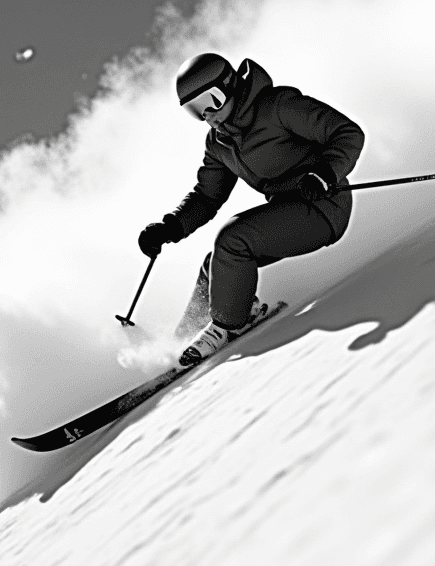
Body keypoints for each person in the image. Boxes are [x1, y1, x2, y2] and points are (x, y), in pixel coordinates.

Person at [138, 52, 365, 365]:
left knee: (233, 240)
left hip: (323, 205)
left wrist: (325, 173)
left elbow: (347, 133)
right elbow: (207, 196)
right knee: (217, 265)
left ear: (229, 85)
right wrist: (171, 226)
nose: (209, 115)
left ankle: (232, 323)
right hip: (287, 212)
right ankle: (179, 346)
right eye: (196, 110)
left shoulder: (277, 106)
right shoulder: (219, 143)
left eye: (211, 100)